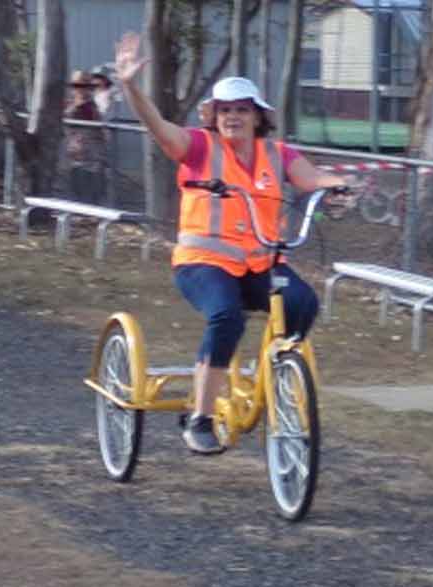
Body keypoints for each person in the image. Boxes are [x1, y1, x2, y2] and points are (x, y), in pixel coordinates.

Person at [112, 32, 349, 455]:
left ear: (258, 117)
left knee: (303, 304)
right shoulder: (200, 146)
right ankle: (200, 417)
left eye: (242, 110)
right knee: (226, 316)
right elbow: (160, 129)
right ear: (213, 116)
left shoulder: (278, 154)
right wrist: (130, 86)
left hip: (259, 264)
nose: (233, 117)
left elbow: (312, 179)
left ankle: (276, 371)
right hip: (202, 263)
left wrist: (338, 185)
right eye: (225, 110)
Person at [63, 70, 108, 205]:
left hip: (90, 156)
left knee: (89, 190)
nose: (78, 89)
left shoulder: (89, 107)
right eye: (76, 85)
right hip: (75, 154)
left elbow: (97, 127)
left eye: (83, 85)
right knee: (75, 187)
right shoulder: (71, 103)